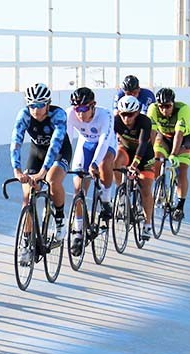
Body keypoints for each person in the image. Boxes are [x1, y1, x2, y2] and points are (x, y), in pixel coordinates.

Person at [9, 83, 72, 265]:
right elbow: (16, 141)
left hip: (59, 151)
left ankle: (60, 219)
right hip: (36, 152)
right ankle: (27, 240)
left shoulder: (58, 114)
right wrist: (17, 170)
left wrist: (43, 172)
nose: (36, 110)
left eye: (40, 105)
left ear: (48, 103)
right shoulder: (24, 115)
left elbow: (55, 145)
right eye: (32, 105)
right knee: (27, 195)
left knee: (52, 180)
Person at [65, 87, 117, 257]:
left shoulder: (105, 115)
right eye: (76, 108)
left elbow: (104, 141)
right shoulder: (70, 114)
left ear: (93, 105)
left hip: (106, 144)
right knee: (78, 189)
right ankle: (78, 232)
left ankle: (106, 199)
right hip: (85, 144)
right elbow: (66, 140)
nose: (79, 113)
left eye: (83, 109)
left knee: (103, 165)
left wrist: (94, 163)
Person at [114, 95, 156, 240]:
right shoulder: (115, 121)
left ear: (137, 112)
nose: (126, 118)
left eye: (130, 115)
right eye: (123, 114)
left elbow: (143, 143)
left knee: (145, 187)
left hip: (144, 155)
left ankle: (147, 224)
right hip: (126, 150)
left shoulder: (144, 121)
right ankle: (122, 193)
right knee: (115, 162)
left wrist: (134, 165)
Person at [148, 87, 190, 221]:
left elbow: (179, 133)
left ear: (173, 103)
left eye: (168, 106)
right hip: (164, 137)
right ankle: (158, 191)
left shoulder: (182, 109)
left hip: (182, 139)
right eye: (161, 106)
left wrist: (173, 154)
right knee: (155, 160)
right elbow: (151, 132)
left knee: (182, 170)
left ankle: (180, 206)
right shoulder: (153, 109)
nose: (164, 110)